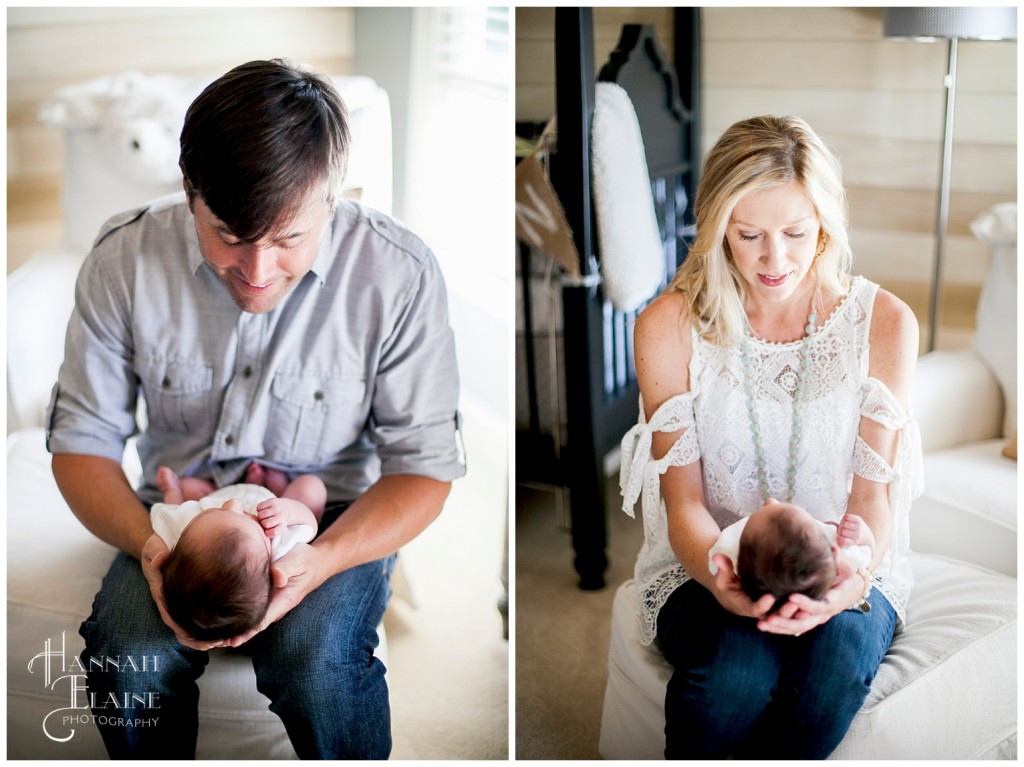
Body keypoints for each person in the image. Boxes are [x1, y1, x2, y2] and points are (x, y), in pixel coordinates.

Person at [47, 58, 465, 759]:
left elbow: (423, 472)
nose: (258, 271)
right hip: (177, 521)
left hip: (329, 517)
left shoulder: (399, 274)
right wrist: (152, 544)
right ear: (190, 194)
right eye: (231, 237)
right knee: (127, 658)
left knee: (317, 666)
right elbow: (79, 442)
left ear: (335, 198)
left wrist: (323, 559)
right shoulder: (124, 259)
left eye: (288, 240)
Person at [618, 114, 921, 758]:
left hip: (849, 559)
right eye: (749, 233)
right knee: (736, 671)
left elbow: (871, 504)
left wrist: (849, 583)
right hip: (707, 555)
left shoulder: (885, 324)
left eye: (795, 233)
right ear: (717, 225)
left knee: (831, 667)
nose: (773, 259)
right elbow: (685, 505)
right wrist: (720, 576)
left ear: (825, 227)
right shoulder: (669, 326)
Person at [153, 463, 327, 641]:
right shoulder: (278, 547)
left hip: (216, 492)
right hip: (269, 500)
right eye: (244, 514)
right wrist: (287, 511)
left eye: (216, 512)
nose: (232, 503)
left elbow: (171, 513)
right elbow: (309, 525)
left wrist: (171, 491)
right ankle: (273, 486)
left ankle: (251, 481)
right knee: (310, 487)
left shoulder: (186, 533)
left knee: (188, 487)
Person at [709, 498, 874, 614]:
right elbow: (869, 551)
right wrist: (861, 533)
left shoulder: (735, 555)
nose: (771, 500)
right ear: (834, 553)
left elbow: (717, 562)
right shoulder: (833, 546)